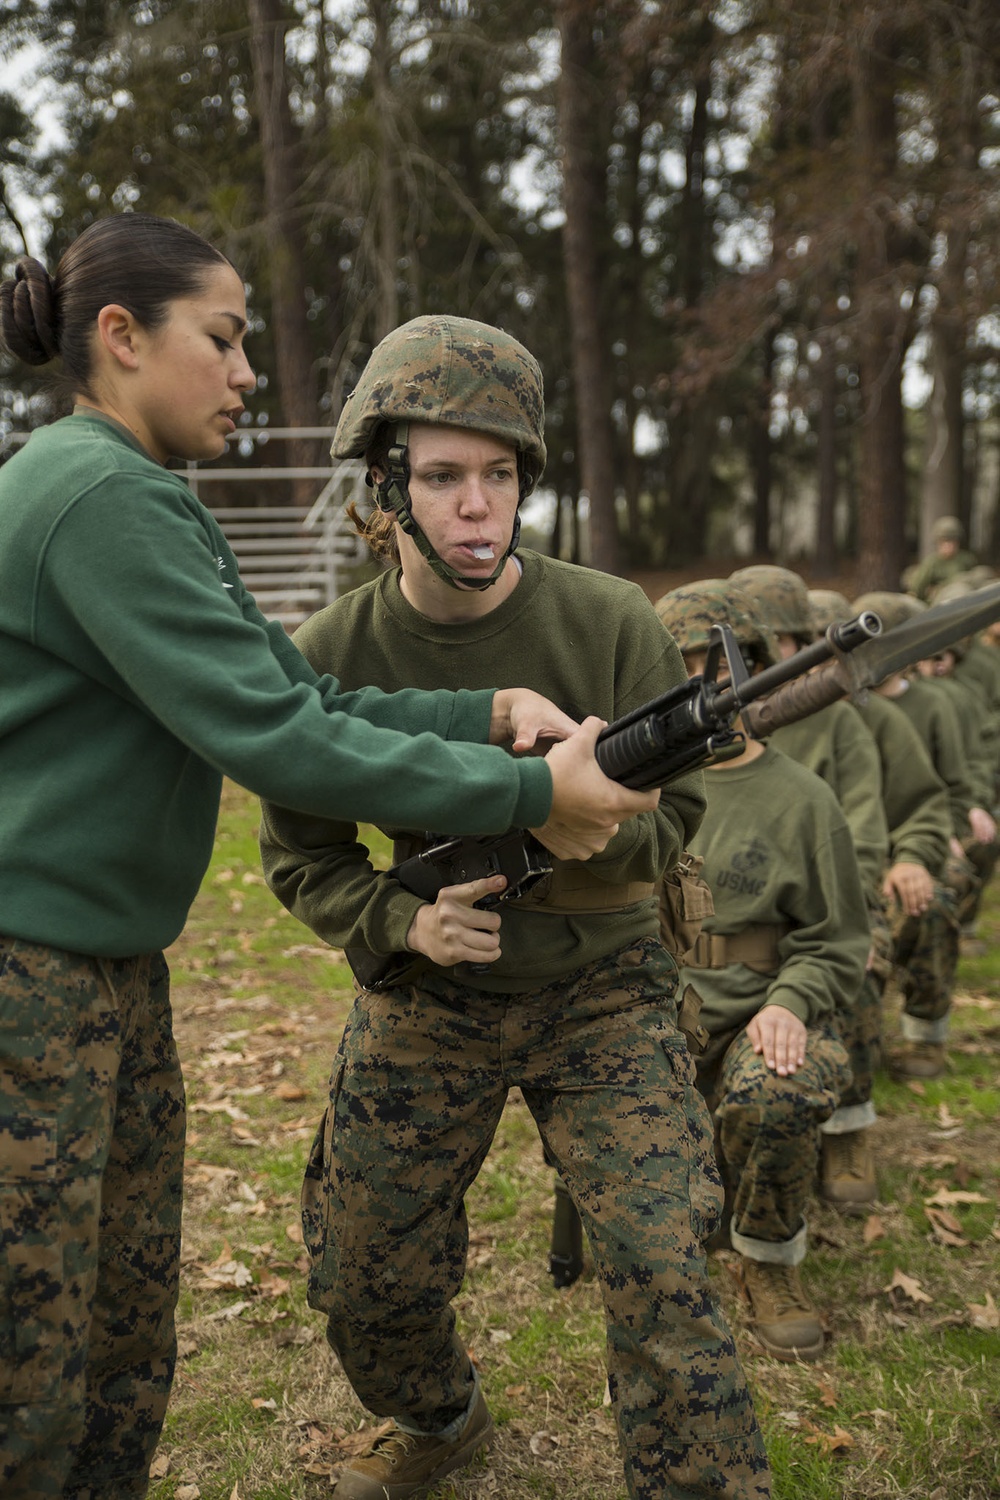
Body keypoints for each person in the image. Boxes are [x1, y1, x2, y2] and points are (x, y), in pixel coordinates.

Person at [0, 217, 659, 1500]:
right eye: (227, 338)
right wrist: (530, 787)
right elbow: (279, 737)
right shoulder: (93, 494)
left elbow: (288, 694)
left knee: (116, 1336)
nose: (250, 372)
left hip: (97, 970)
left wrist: (482, 714)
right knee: (33, 1363)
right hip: (30, 979)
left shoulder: (142, 494)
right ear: (122, 339)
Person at [259, 315, 771, 1500]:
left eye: (499, 475)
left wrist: (586, 824)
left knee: (662, 1267)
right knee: (362, 1274)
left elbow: (689, 816)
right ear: (385, 492)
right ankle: (439, 1420)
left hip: (604, 987)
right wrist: (400, 924)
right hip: (434, 993)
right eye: (441, 477)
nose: (476, 507)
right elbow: (300, 853)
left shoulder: (607, 621)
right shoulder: (332, 654)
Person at [653, 581, 868, 1363]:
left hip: (755, 1017)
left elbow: (838, 940)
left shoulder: (803, 801)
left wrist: (791, 1003)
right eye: (675, 671)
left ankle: (767, 1259)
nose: (698, 691)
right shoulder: (633, 791)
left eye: (713, 670)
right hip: (658, 1021)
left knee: (777, 1086)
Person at [729, 564, 887, 1207]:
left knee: (856, 962)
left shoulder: (835, 729)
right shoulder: (667, 757)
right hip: (697, 983)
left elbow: (866, 835)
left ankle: (848, 1120)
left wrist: (864, 904)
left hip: (813, 918)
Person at [904, 516, 978, 603]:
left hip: (965, 597)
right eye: (945, 541)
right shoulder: (931, 562)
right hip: (941, 600)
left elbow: (975, 579)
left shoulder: (966, 559)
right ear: (938, 542)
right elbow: (917, 588)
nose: (949, 545)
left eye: (952, 541)